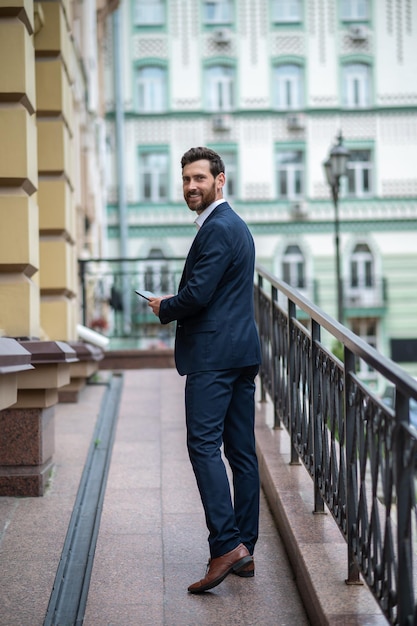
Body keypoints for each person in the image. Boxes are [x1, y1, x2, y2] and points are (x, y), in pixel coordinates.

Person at [148, 146, 261, 593]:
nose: (191, 186)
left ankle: (227, 546)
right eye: (186, 180)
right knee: (241, 453)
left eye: (199, 178)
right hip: (239, 353)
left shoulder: (218, 228)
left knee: (203, 446)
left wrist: (163, 306)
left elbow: (196, 295)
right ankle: (244, 550)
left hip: (215, 358)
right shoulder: (233, 226)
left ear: (220, 180)